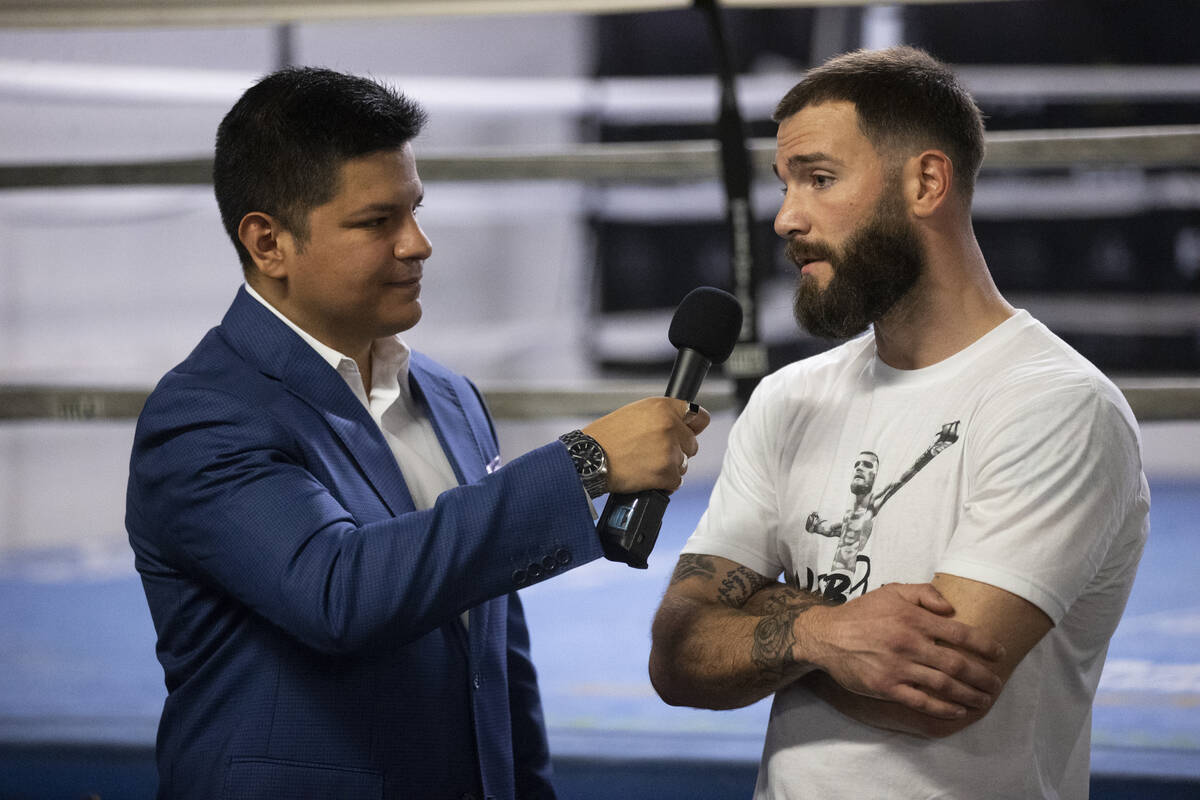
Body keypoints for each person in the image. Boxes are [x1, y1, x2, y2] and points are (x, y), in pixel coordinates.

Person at [125, 66, 709, 800]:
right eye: (377, 222)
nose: (419, 243)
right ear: (268, 243)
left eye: (416, 210)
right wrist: (585, 463)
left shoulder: (451, 398)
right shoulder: (203, 415)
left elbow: (495, 658)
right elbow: (337, 591)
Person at [649, 46, 1148, 799]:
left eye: (819, 179)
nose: (787, 217)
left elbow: (933, 694)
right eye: (785, 185)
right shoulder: (790, 400)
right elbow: (677, 653)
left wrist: (757, 621)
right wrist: (827, 636)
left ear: (926, 182)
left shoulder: (1056, 406)